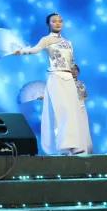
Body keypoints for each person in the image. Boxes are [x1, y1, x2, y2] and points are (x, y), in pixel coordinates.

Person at [11, 13, 88, 154]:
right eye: (54, 21)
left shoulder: (68, 43)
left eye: (60, 21)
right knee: (63, 110)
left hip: (69, 78)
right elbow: (34, 49)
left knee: (72, 111)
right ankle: (66, 145)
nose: (58, 23)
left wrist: (75, 75)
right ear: (49, 24)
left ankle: (74, 145)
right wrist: (21, 51)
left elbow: (71, 62)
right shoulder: (46, 39)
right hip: (56, 77)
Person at [71, 64, 95, 154]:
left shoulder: (81, 83)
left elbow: (85, 96)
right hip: (71, 107)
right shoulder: (66, 84)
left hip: (81, 107)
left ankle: (84, 148)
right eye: (72, 70)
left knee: (82, 126)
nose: (74, 71)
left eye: (76, 70)